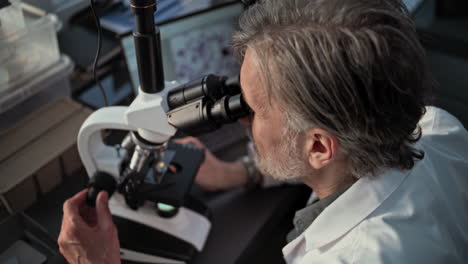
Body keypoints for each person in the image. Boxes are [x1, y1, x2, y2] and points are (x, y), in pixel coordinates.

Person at [58, 0, 468, 263]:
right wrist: (243, 172)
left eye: (251, 109)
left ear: (320, 146)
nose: (238, 117)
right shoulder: (437, 126)